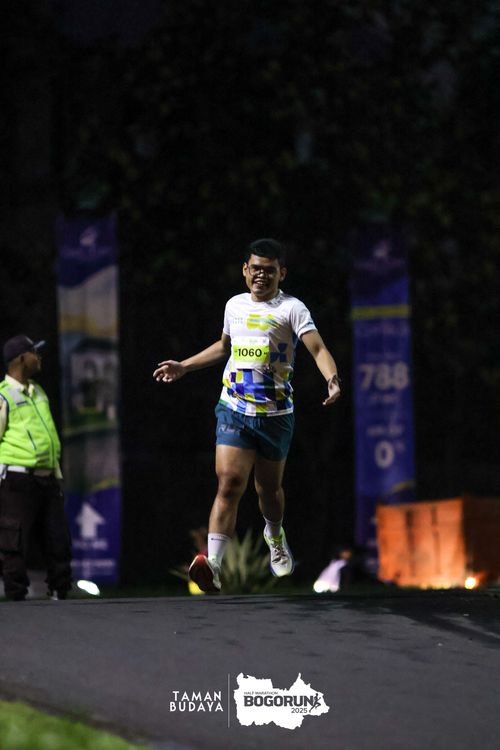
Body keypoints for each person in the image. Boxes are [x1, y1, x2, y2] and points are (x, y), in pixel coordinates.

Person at [153, 239, 341, 593]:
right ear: (245, 270)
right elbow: (225, 347)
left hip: (275, 414)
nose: (261, 275)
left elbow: (317, 348)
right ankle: (214, 566)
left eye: (269, 270)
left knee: (267, 490)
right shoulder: (234, 306)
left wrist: (331, 378)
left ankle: (275, 535)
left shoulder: (292, 309)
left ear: (281, 273)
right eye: (255, 269)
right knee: (229, 482)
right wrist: (184, 366)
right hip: (234, 408)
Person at [0, 335, 72, 601]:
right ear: (21, 359)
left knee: (58, 538)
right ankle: (16, 596)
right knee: (15, 541)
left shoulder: (38, 391)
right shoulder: (3, 395)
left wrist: (55, 472)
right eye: (34, 353)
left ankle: (60, 591)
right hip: (17, 479)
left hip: (47, 478)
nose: (38, 357)